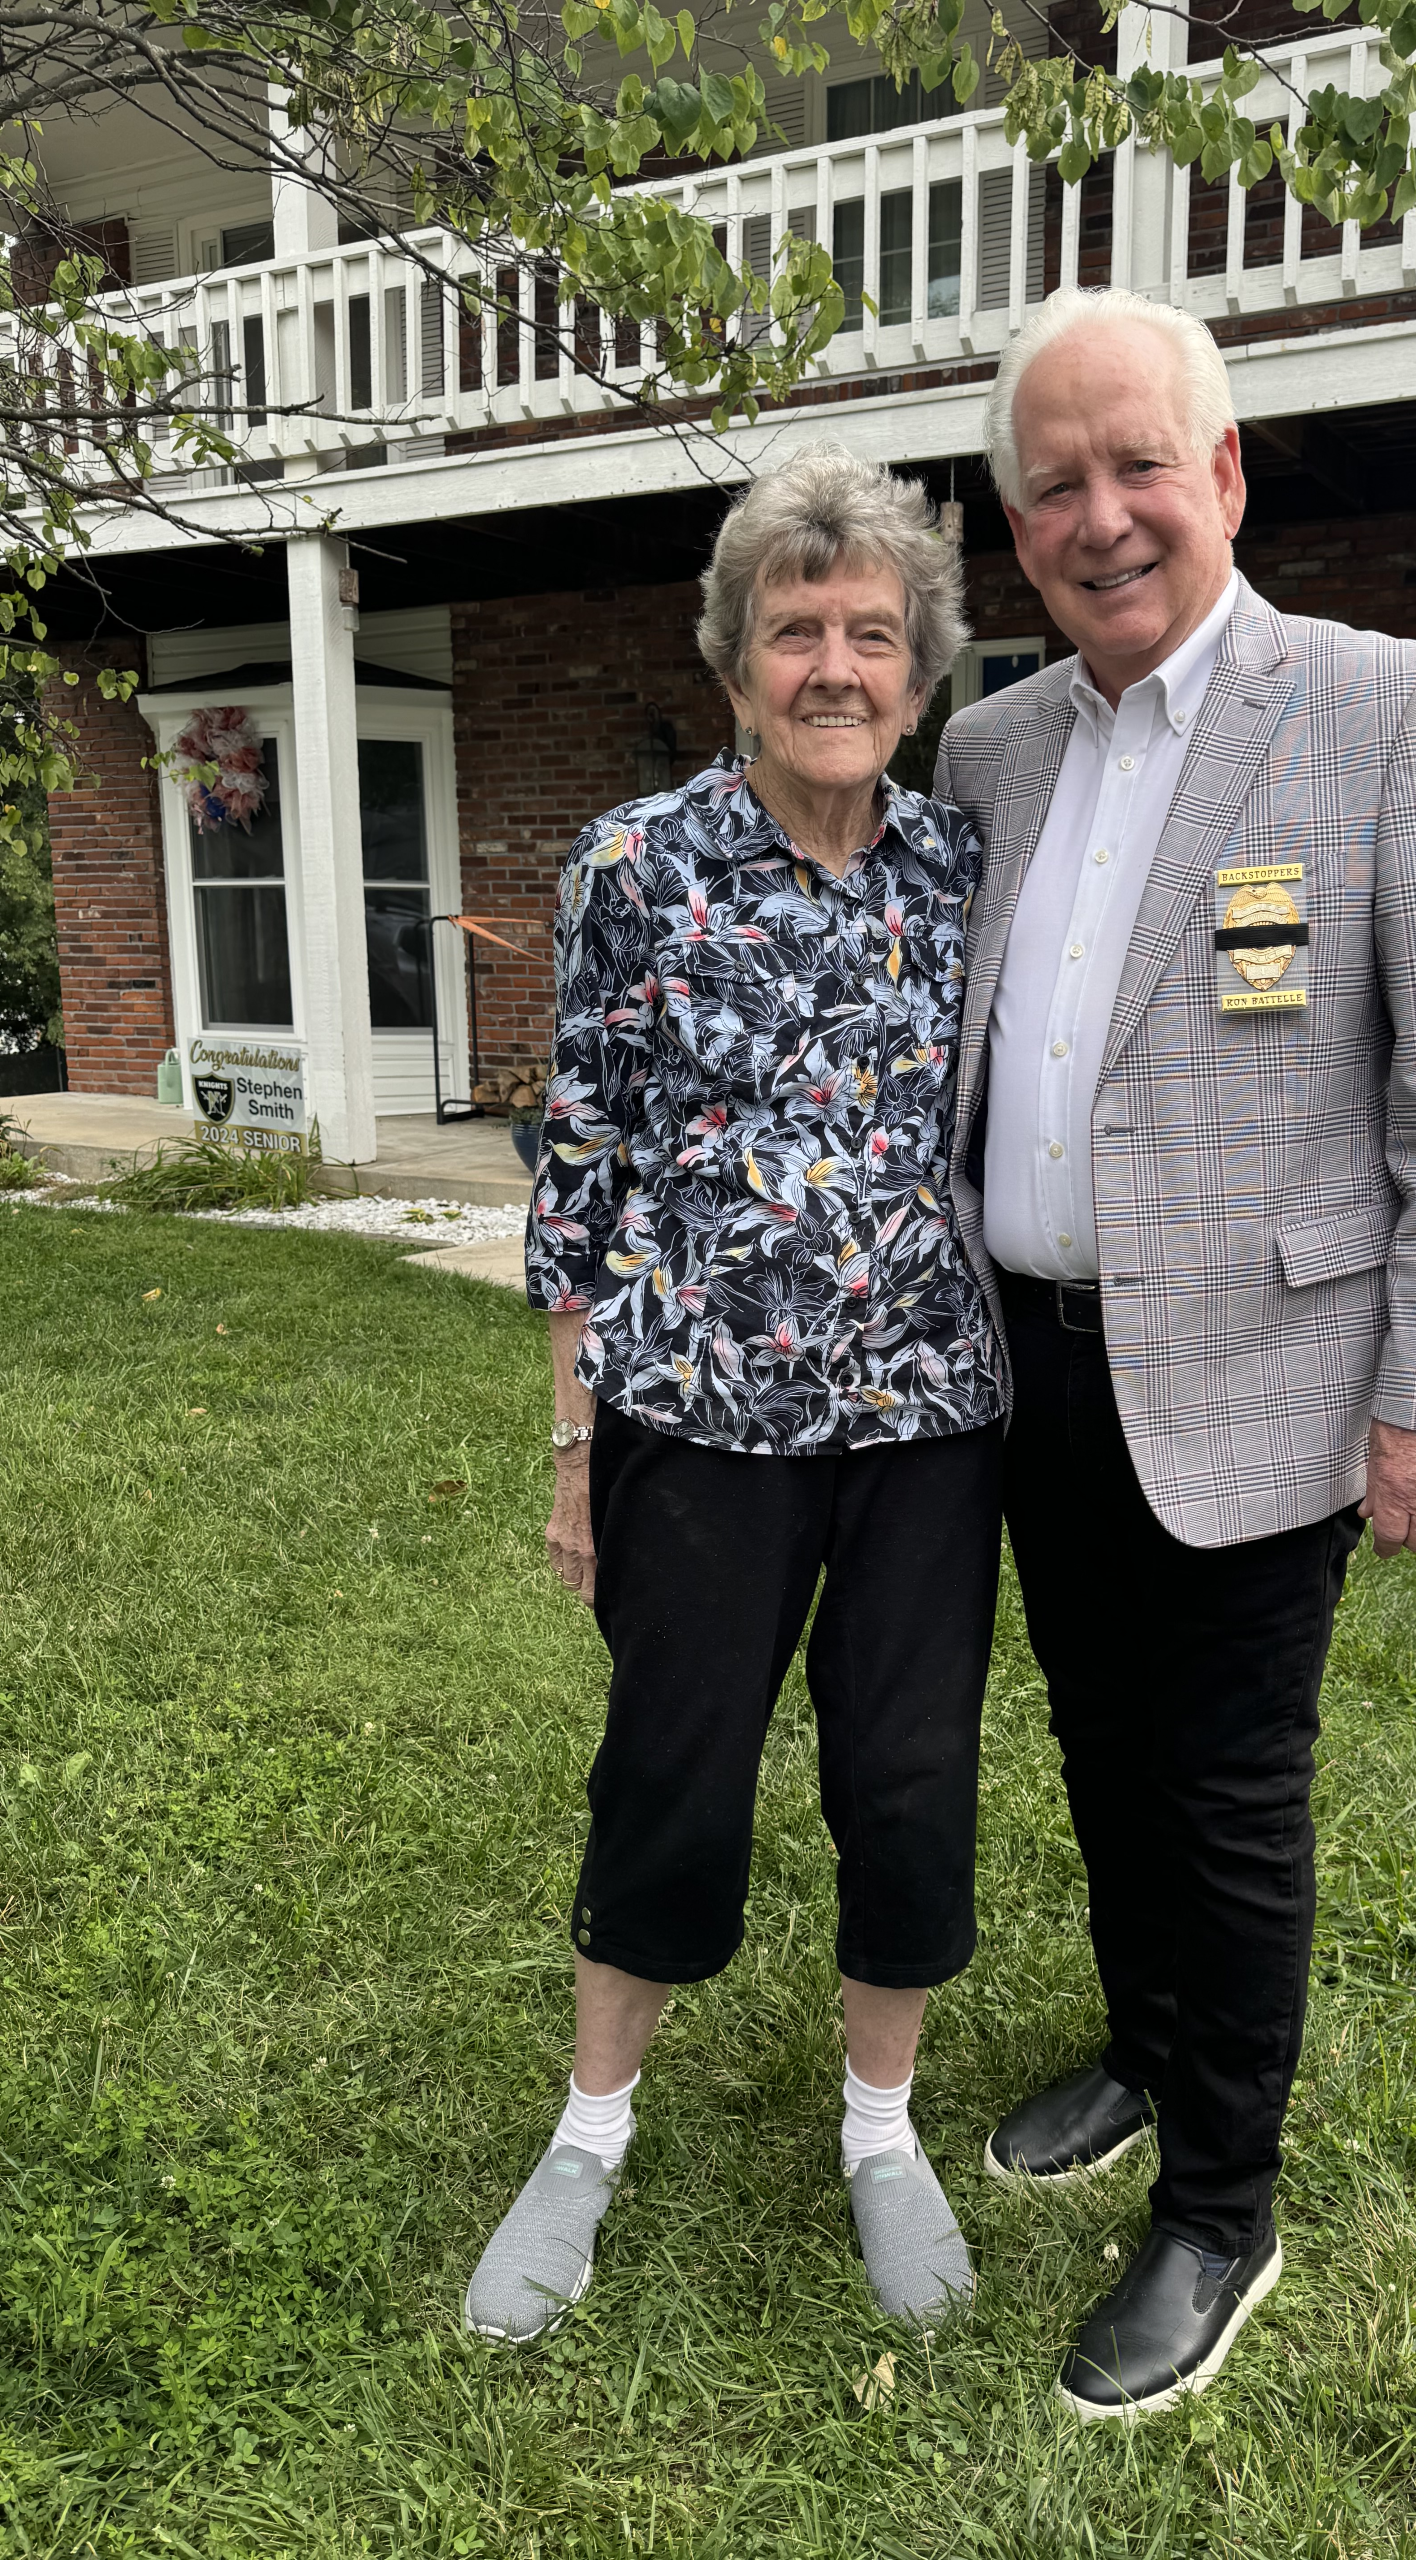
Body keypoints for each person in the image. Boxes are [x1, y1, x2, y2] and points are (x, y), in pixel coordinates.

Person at [934, 287, 1416, 2420]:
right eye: (1055, 485)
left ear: (1230, 476)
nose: (1103, 517)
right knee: (1098, 1743)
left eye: (1138, 467)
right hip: (1036, 1367)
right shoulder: (993, 745)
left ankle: (1222, 2197)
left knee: (1230, 1789)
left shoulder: (1382, 706)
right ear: (1017, 527)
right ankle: (1138, 2039)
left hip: (1272, 1379)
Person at [466, 447, 1007, 2345]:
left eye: (874, 633)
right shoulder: (634, 864)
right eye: (798, 631)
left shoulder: (963, 866)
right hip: (694, 1413)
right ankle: (588, 2135)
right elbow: (582, 1169)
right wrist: (571, 1449)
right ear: (734, 661)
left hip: (930, 1417)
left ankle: (882, 2128)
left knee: (911, 1774)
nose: (837, 667)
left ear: (922, 676)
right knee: (672, 1770)